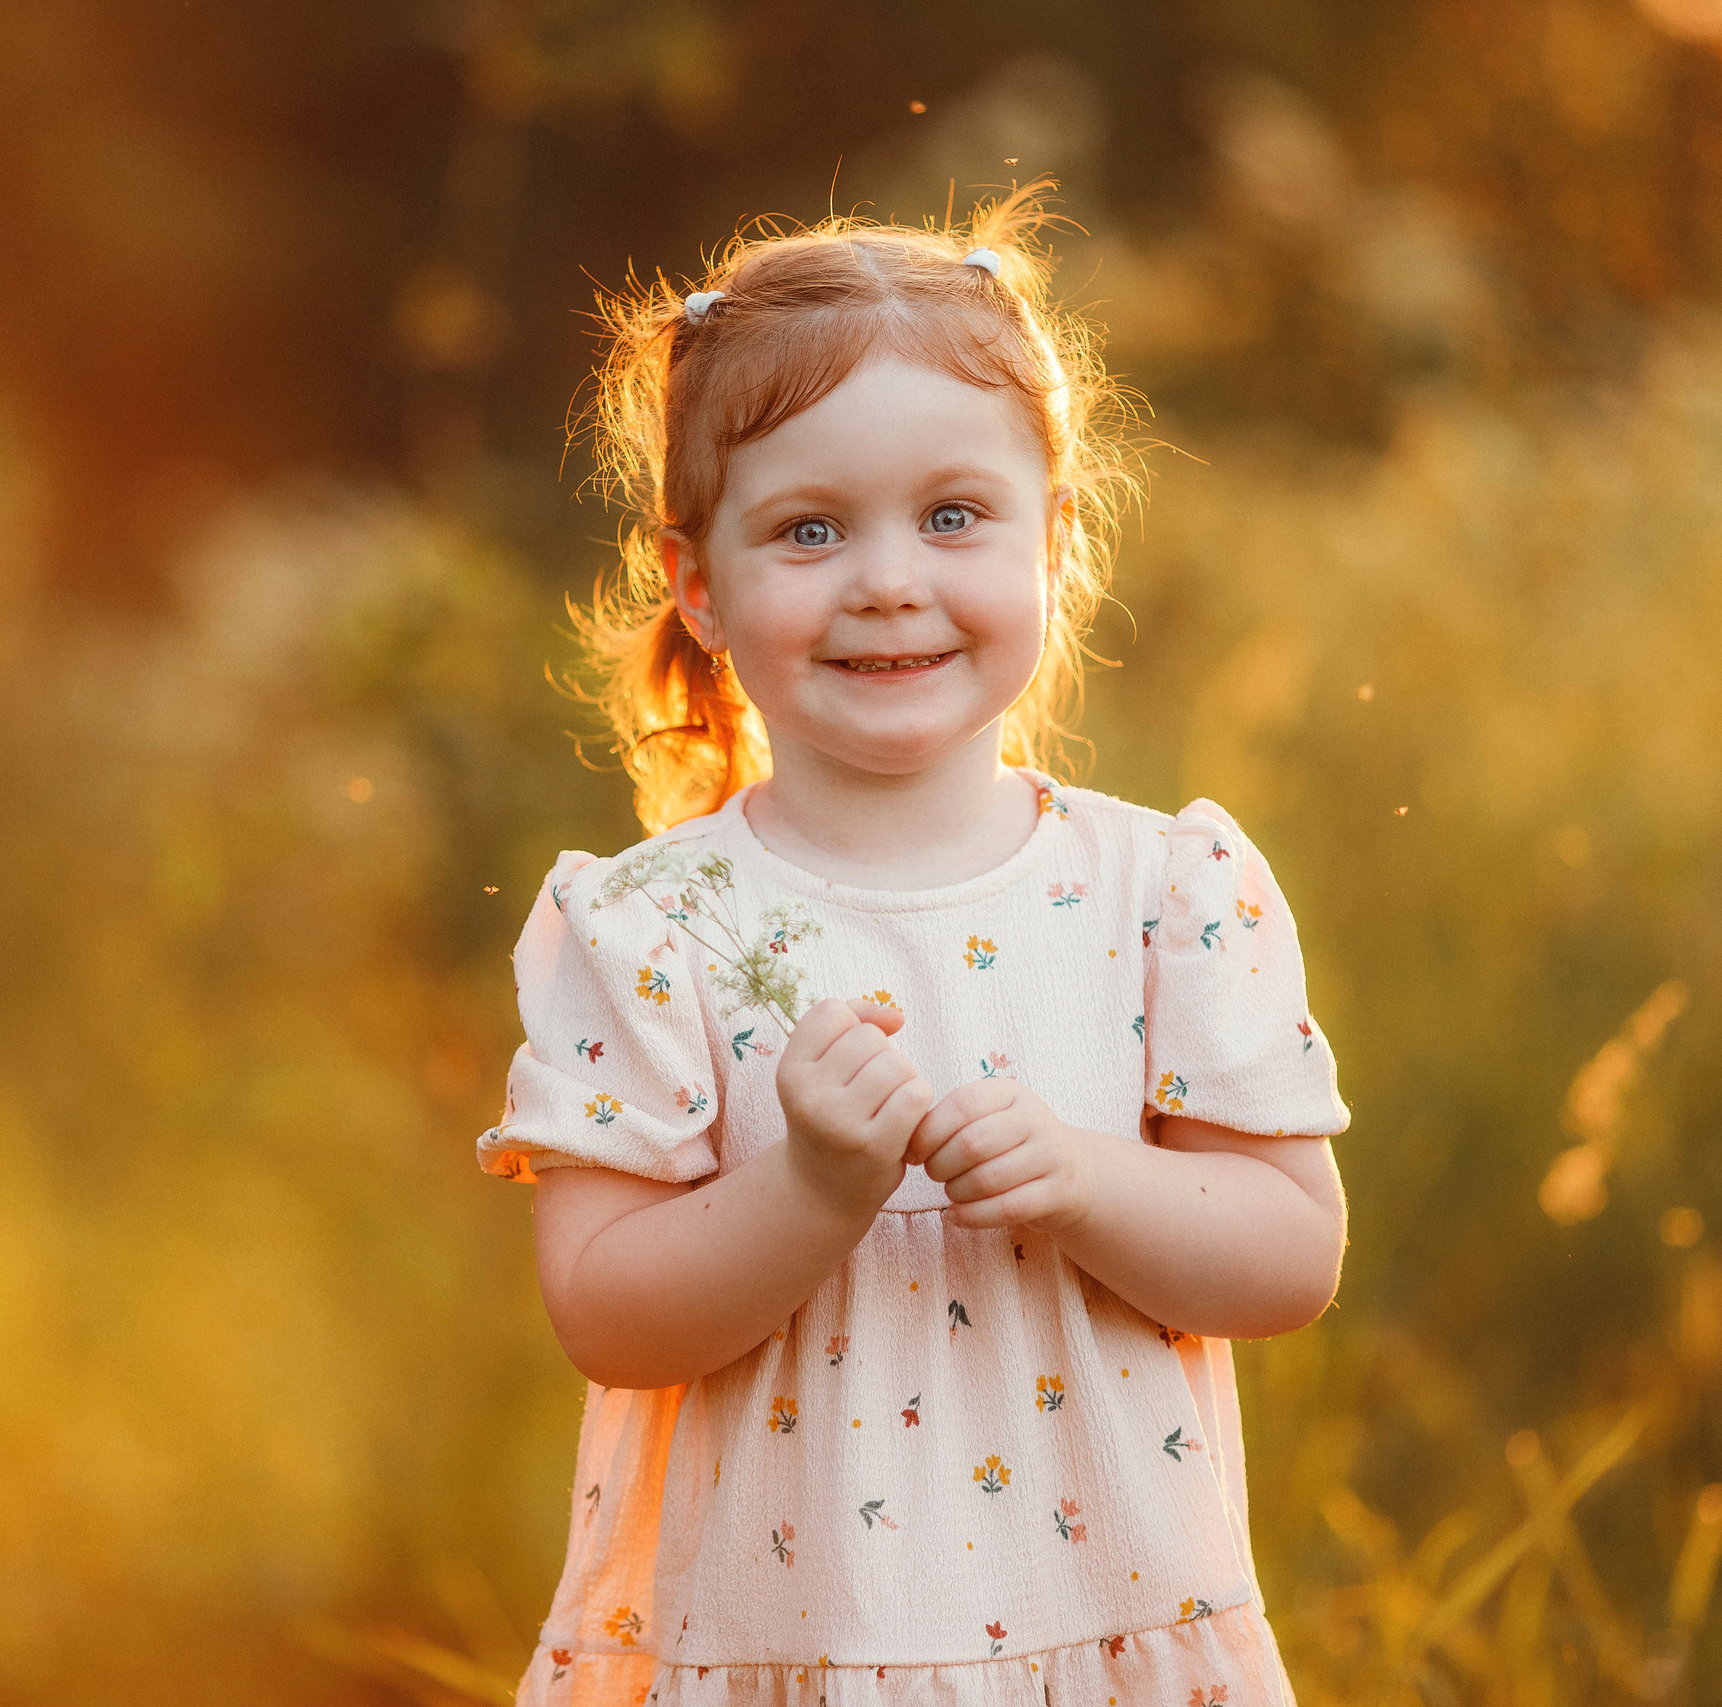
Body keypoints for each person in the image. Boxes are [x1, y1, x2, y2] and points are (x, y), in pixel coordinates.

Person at [477, 185, 1351, 1706]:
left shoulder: (1165, 888)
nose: (889, 578)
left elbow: (1289, 1254)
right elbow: (608, 1315)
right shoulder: (648, 929)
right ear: (702, 583)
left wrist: (1088, 1176)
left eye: (952, 515)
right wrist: (809, 1186)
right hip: (775, 1646)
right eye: (809, 529)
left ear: (1056, 539)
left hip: (1105, 1635)